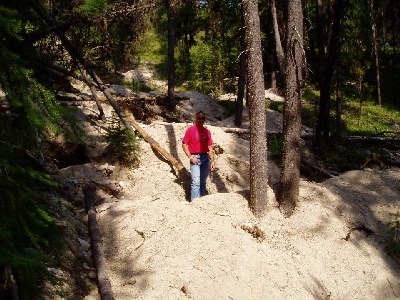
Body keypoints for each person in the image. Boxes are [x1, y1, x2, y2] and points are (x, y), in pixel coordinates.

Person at [182, 111, 215, 201]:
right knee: (196, 182)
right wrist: (190, 157)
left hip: (205, 158)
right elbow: (184, 145)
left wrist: (212, 161)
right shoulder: (190, 130)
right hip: (195, 157)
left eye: (202, 118)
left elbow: (210, 147)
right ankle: (195, 202)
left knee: (203, 181)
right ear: (196, 119)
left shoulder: (207, 132)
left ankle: (201, 201)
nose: (200, 120)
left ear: (204, 120)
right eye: (199, 118)